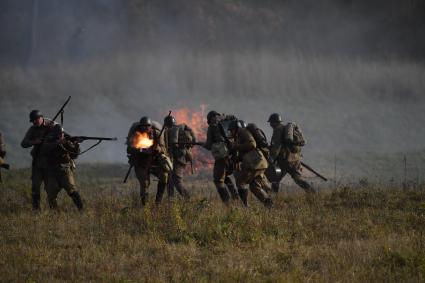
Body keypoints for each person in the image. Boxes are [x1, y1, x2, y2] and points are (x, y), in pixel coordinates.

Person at [126, 116, 171, 205]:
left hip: (155, 160)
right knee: (145, 183)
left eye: (147, 126)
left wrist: (157, 148)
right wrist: (139, 149)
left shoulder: (156, 133)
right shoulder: (136, 134)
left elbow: (163, 148)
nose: (146, 128)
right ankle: (145, 206)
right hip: (141, 162)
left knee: (164, 176)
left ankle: (158, 202)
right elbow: (129, 149)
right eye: (143, 126)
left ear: (150, 126)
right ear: (140, 126)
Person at [267, 113, 315, 194]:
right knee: (295, 178)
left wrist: (271, 159)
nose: (270, 125)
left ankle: (272, 198)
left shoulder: (278, 130)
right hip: (294, 159)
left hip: (284, 161)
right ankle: (312, 192)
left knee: (277, 178)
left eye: (271, 122)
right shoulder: (285, 129)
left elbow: (276, 147)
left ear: (274, 122)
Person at [228, 120, 273, 207]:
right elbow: (244, 151)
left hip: (255, 164)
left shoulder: (243, 132)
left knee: (240, 181)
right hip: (259, 163)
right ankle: (269, 203)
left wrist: (235, 146)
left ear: (235, 128)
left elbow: (252, 144)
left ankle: (245, 205)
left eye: (231, 130)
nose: (231, 132)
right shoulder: (239, 135)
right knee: (254, 186)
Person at [41, 125, 84, 210]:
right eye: (59, 134)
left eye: (62, 134)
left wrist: (77, 145)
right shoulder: (49, 141)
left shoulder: (66, 142)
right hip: (51, 173)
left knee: (72, 190)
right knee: (51, 195)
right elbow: (44, 149)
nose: (61, 136)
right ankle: (55, 214)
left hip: (64, 171)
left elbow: (74, 155)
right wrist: (58, 143)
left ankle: (81, 210)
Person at [21, 110, 56, 210]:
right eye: (33, 121)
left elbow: (62, 136)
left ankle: (54, 210)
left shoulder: (52, 126)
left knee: (51, 189)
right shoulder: (33, 129)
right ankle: (36, 210)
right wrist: (34, 142)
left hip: (50, 163)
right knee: (35, 188)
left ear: (41, 118)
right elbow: (23, 143)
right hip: (37, 163)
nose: (34, 122)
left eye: (36, 120)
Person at [203, 110, 239, 204]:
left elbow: (209, 145)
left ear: (210, 119)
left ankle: (227, 203)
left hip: (222, 156)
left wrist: (201, 144)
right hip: (232, 154)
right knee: (225, 175)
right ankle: (235, 196)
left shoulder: (212, 127)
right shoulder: (226, 121)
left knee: (218, 180)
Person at [164, 115, 196, 200]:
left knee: (177, 180)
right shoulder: (180, 130)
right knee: (170, 179)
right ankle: (170, 200)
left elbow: (170, 146)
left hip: (177, 159)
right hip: (181, 158)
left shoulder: (170, 131)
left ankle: (187, 198)